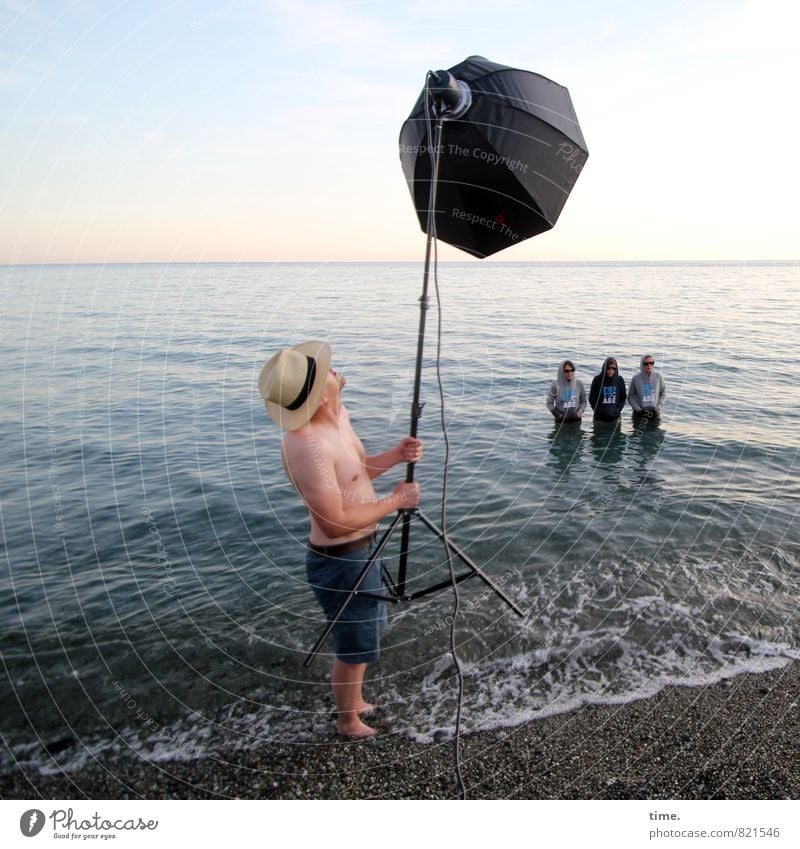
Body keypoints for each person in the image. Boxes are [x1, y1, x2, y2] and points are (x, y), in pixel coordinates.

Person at [258, 340, 423, 738]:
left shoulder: (339, 416)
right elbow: (334, 522)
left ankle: (355, 699)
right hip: (341, 559)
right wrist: (396, 502)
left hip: (364, 552)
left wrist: (395, 455)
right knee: (353, 644)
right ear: (317, 395)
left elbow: (355, 474)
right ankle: (348, 721)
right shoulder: (305, 443)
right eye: (326, 371)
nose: (333, 370)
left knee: (368, 632)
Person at [589, 357, 627, 421]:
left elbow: (623, 397)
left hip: (615, 417)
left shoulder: (619, 380)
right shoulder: (597, 379)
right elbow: (592, 399)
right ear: (604, 368)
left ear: (616, 369)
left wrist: (618, 409)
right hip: (599, 418)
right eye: (608, 368)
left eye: (613, 368)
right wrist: (598, 410)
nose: (611, 370)